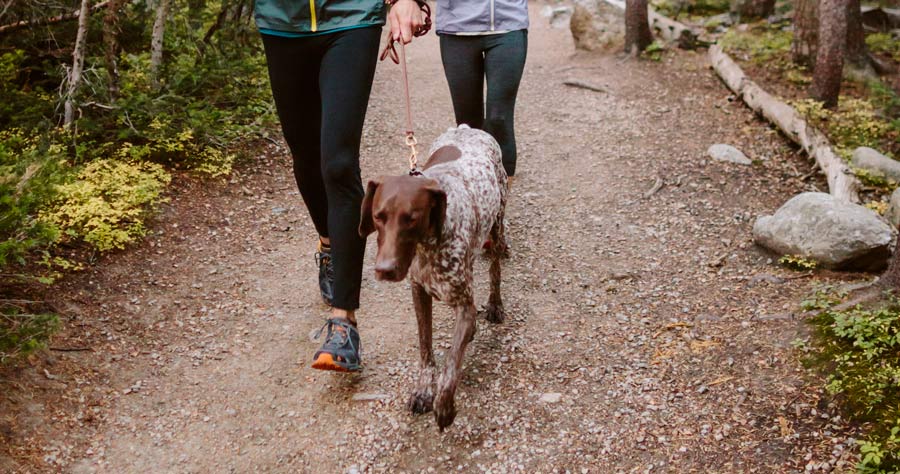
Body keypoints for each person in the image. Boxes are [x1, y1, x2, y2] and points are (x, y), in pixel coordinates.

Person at [254, 0, 424, 372]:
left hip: (353, 18)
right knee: (306, 156)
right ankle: (330, 243)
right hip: (282, 23)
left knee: (338, 165)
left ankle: (344, 322)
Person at [435, 0, 529, 181]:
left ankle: (501, 196)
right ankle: (475, 187)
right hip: (456, 27)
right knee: (467, 123)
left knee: (499, 118)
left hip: (509, 26)